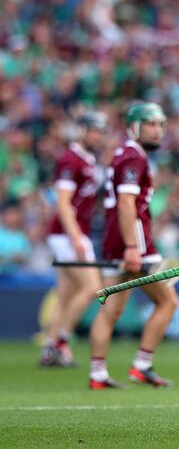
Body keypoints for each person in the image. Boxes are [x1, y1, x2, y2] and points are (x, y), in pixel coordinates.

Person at [88, 102, 179, 388]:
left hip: (117, 240)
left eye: (160, 124)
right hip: (134, 242)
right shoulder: (133, 158)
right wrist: (131, 247)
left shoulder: (125, 155)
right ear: (134, 126)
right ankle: (142, 364)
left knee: (112, 308)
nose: (157, 130)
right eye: (150, 124)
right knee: (168, 301)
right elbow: (127, 203)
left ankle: (98, 373)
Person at [40, 112, 106, 368]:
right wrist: (76, 237)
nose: (97, 136)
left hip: (72, 234)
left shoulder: (87, 160)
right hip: (68, 234)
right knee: (91, 288)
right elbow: (63, 203)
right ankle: (61, 343)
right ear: (82, 131)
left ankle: (49, 347)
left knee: (66, 293)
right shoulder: (71, 159)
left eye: (100, 131)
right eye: (94, 130)